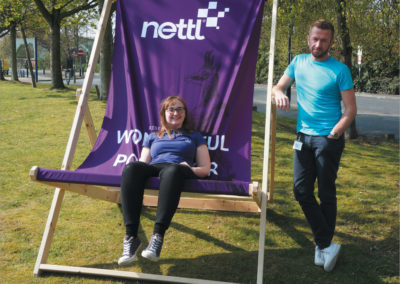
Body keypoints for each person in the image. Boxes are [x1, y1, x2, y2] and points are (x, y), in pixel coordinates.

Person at [272, 19, 357, 272]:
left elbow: (351, 110)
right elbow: (279, 86)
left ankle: (323, 245)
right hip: (303, 138)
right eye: (314, 38)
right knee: (301, 191)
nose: (318, 44)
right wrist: (278, 92)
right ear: (308, 38)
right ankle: (325, 242)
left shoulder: (340, 70)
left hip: (327, 140)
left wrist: (335, 132)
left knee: (326, 192)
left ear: (331, 43)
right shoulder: (298, 62)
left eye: (323, 40)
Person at [118, 96, 211, 265]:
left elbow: (205, 169)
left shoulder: (195, 136)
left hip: (179, 169)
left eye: (179, 109)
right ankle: (131, 237)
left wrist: (189, 169)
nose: (175, 113)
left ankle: (157, 237)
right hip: (156, 167)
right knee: (131, 168)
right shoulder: (153, 136)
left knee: (172, 170)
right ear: (164, 113)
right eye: (171, 109)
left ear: (185, 114)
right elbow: (143, 163)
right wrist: (136, 172)